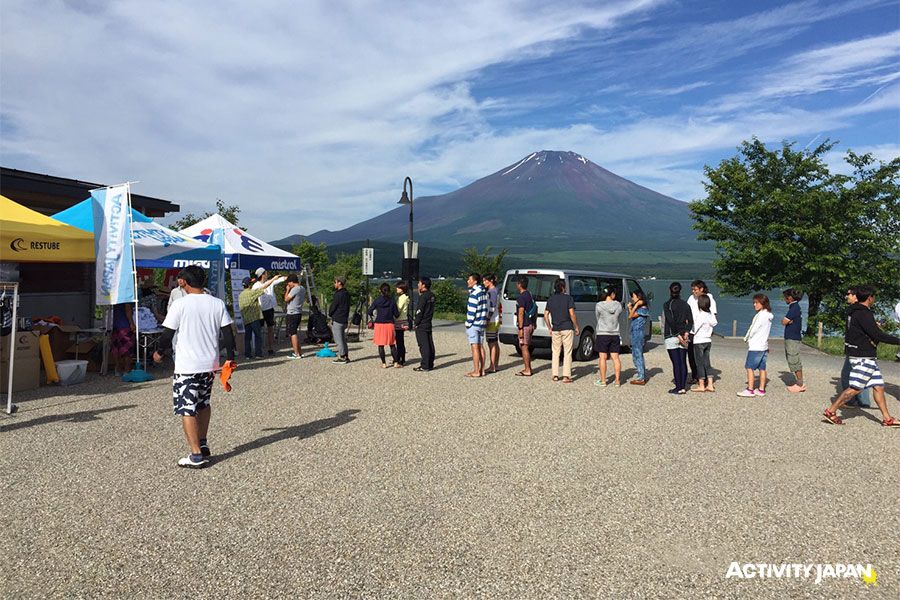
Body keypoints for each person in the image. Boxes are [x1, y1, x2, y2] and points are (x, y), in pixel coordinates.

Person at [152, 265, 236, 468]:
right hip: (210, 364)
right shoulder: (217, 303)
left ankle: (196, 454)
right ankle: (203, 442)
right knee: (204, 403)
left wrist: (159, 352)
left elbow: (167, 335)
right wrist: (230, 358)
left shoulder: (180, 305)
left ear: (184, 282)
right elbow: (228, 334)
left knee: (187, 408)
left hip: (187, 365)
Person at [823, 285, 900, 427]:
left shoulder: (853, 311)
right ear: (870, 298)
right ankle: (831, 411)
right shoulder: (864, 313)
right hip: (863, 356)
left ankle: (887, 418)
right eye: (874, 297)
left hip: (862, 355)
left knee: (878, 386)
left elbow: (860, 331)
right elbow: (877, 334)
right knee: (855, 388)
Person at [737, 294, 774, 397]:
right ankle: (761, 389)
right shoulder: (769, 315)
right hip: (764, 346)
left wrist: (747, 338)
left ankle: (750, 389)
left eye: (756, 303)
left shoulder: (760, 315)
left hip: (756, 346)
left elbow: (754, 328)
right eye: (754, 302)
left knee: (749, 367)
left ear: (763, 303)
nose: (754, 305)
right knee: (762, 368)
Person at [238, 275, 281, 360]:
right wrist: (273, 279)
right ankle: (258, 354)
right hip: (254, 318)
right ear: (249, 285)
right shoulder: (252, 293)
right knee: (258, 336)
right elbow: (264, 287)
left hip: (246, 320)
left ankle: (248, 355)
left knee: (247, 338)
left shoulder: (241, 295)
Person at [544, 279, 579, 383]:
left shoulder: (550, 299)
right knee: (567, 352)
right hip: (567, 327)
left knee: (555, 352)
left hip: (555, 328)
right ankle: (566, 376)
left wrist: (549, 327)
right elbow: (572, 314)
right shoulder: (568, 298)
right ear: (563, 287)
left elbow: (546, 315)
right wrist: (576, 326)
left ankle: (555, 374)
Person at [663, 282, 693, 395]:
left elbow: (670, 321)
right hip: (684, 335)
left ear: (669, 290)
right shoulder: (685, 304)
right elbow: (690, 320)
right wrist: (686, 332)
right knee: (682, 362)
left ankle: (678, 387)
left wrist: (677, 334)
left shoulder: (667, 304)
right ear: (680, 291)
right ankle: (683, 387)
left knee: (676, 363)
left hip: (672, 335)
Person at [687, 279, 717, 384]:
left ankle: (703, 377)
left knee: (702, 358)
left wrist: (710, 330)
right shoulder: (691, 298)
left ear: (701, 289)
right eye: (692, 290)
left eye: (695, 290)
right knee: (691, 354)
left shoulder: (709, 298)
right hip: (691, 328)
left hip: (702, 331)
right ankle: (695, 375)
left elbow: (713, 314)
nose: (693, 292)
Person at [594, 287, 623, 387]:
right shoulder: (618, 305)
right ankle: (617, 381)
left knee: (602, 357)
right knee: (615, 357)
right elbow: (619, 315)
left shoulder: (599, 305)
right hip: (614, 333)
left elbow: (597, 317)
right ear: (612, 294)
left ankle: (603, 381)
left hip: (602, 333)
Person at [368, 283, 400, 368]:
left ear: (380, 291)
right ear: (389, 291)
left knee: (380, 345)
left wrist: (374, 317)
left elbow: (369, 311)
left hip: (379, 324)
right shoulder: (392, 300)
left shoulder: (377, 300)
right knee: (392, 344)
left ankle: (384, 363)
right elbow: (396, 314)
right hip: (389, 324)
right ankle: (396, 362)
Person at [691, 294, 717, 392]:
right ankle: (710, 384)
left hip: (699, 341)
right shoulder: (710, 314)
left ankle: (701, 384)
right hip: (708, 340)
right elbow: (714, 323)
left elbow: (694, 329)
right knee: (707, 363)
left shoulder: (701, 315)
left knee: (699, 363)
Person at [781, 288, 805, 392]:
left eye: (785, 297)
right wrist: (788, 321)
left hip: (792, 338)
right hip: (792, 337)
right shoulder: (794, 307)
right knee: (792, 359)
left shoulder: (794, 308)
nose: (784, 299)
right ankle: (799, 383)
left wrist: (787, 321)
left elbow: (783, 321)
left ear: (790, 298)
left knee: (794, 359)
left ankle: (800, 384)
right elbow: (786, 321)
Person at [464, 272, 488, 378]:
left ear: (475, 281)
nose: (468, 281)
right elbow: (487, 307)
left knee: (474, 347)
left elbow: (472, 311)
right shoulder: (484, 292)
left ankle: (476, 371)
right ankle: (482, 370)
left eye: (469, 279)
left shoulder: (474, 293)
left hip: (474, 323)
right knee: (481, 346)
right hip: (482, 322)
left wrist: (468, 323)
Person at [252, 268, 278, 356]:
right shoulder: (256, 285)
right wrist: (273, 279)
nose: (267, 274)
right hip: (260, 310)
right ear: (262, 275)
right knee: (259, 330)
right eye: (266, 273)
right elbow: (263, 287)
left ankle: (270, 348)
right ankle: (259, 349)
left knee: (270, 329)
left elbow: (280, 280)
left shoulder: (270, 282)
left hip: (269, 309)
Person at [627, 290, 651, 385]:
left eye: (633, 296)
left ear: (638, 297)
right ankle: (640, 374)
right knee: (635, 354)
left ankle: (641, 377)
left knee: (638, 354)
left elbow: (630, 316)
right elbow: (632, 316)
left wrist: (635, 306)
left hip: (638, 333)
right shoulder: (640, 308)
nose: (633, 299)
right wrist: (631, 307)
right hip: (635, 332)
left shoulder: (643, 308)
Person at [515, 276, 536, 377]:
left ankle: (527, 369)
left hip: (525, 325)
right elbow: (535, 308)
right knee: (525, 346)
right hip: (530, 323)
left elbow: (521, 312)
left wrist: (520, 328)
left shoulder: (521, 297)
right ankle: (528, 367)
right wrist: (534, 322)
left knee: (524, 347)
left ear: (519, 285)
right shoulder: (529, 295)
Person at [414, 277, 436, 371]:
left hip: (422, 323)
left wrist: (416, 322)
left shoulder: (423, 297)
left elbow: (419, 311)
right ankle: (430, 363)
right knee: (430, 343)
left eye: (419, 283)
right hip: (428, 321)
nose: (418, 285)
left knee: (423, 345)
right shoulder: (432, 295)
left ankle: (425, 365)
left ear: (423, 285)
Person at [328, 277, 351, 364]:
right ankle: (346, 355)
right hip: (344, 319)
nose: (334, 284)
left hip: (338, 319)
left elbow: (333, 306)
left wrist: (330, 314)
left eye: (335, 282)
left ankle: (342, 356)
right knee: (343, 339)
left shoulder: (338, 294)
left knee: (338, 340)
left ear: (339, 283)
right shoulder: (347, 293)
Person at [284, 274, 306, 359]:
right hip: (298, 312)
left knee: (292, 333)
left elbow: (286, 299)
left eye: (289, 283)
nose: (288, 285)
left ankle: (296, 353)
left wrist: (287, 290)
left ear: (292, 282)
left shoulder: (295, 289)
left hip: (292, 313)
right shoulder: (302, 288)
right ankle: (299, 352)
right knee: (294, 332)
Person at [483, 274, 501, 374]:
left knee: (491, 343)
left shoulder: (492, 292)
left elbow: (492, 307)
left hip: (492, 320)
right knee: (495, 342)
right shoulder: (496, 290)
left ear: (490, 281)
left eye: (485, 281)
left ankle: (492, 365)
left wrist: (487, 318)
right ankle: (495, 364)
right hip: (496, 319)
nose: (484, 283)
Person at [111, 302, 135, 375]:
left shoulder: (114, 295)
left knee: (116, 348)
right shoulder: (127, 296)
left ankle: (117, 368)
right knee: (127, 348)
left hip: (114, 324)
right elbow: (128, 309)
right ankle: (127, 369)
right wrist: (131, 323)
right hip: (124, 325)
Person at [394, 281, 410, 366]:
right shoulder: (405, 297)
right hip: (403, 320)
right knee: (400, 340)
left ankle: (400, 359)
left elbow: (398, 310)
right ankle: (401, 357)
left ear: (402, 289)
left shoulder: (402, 298)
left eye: (398, 287)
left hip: (400, 321)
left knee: (399, 341)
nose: (396, 289)